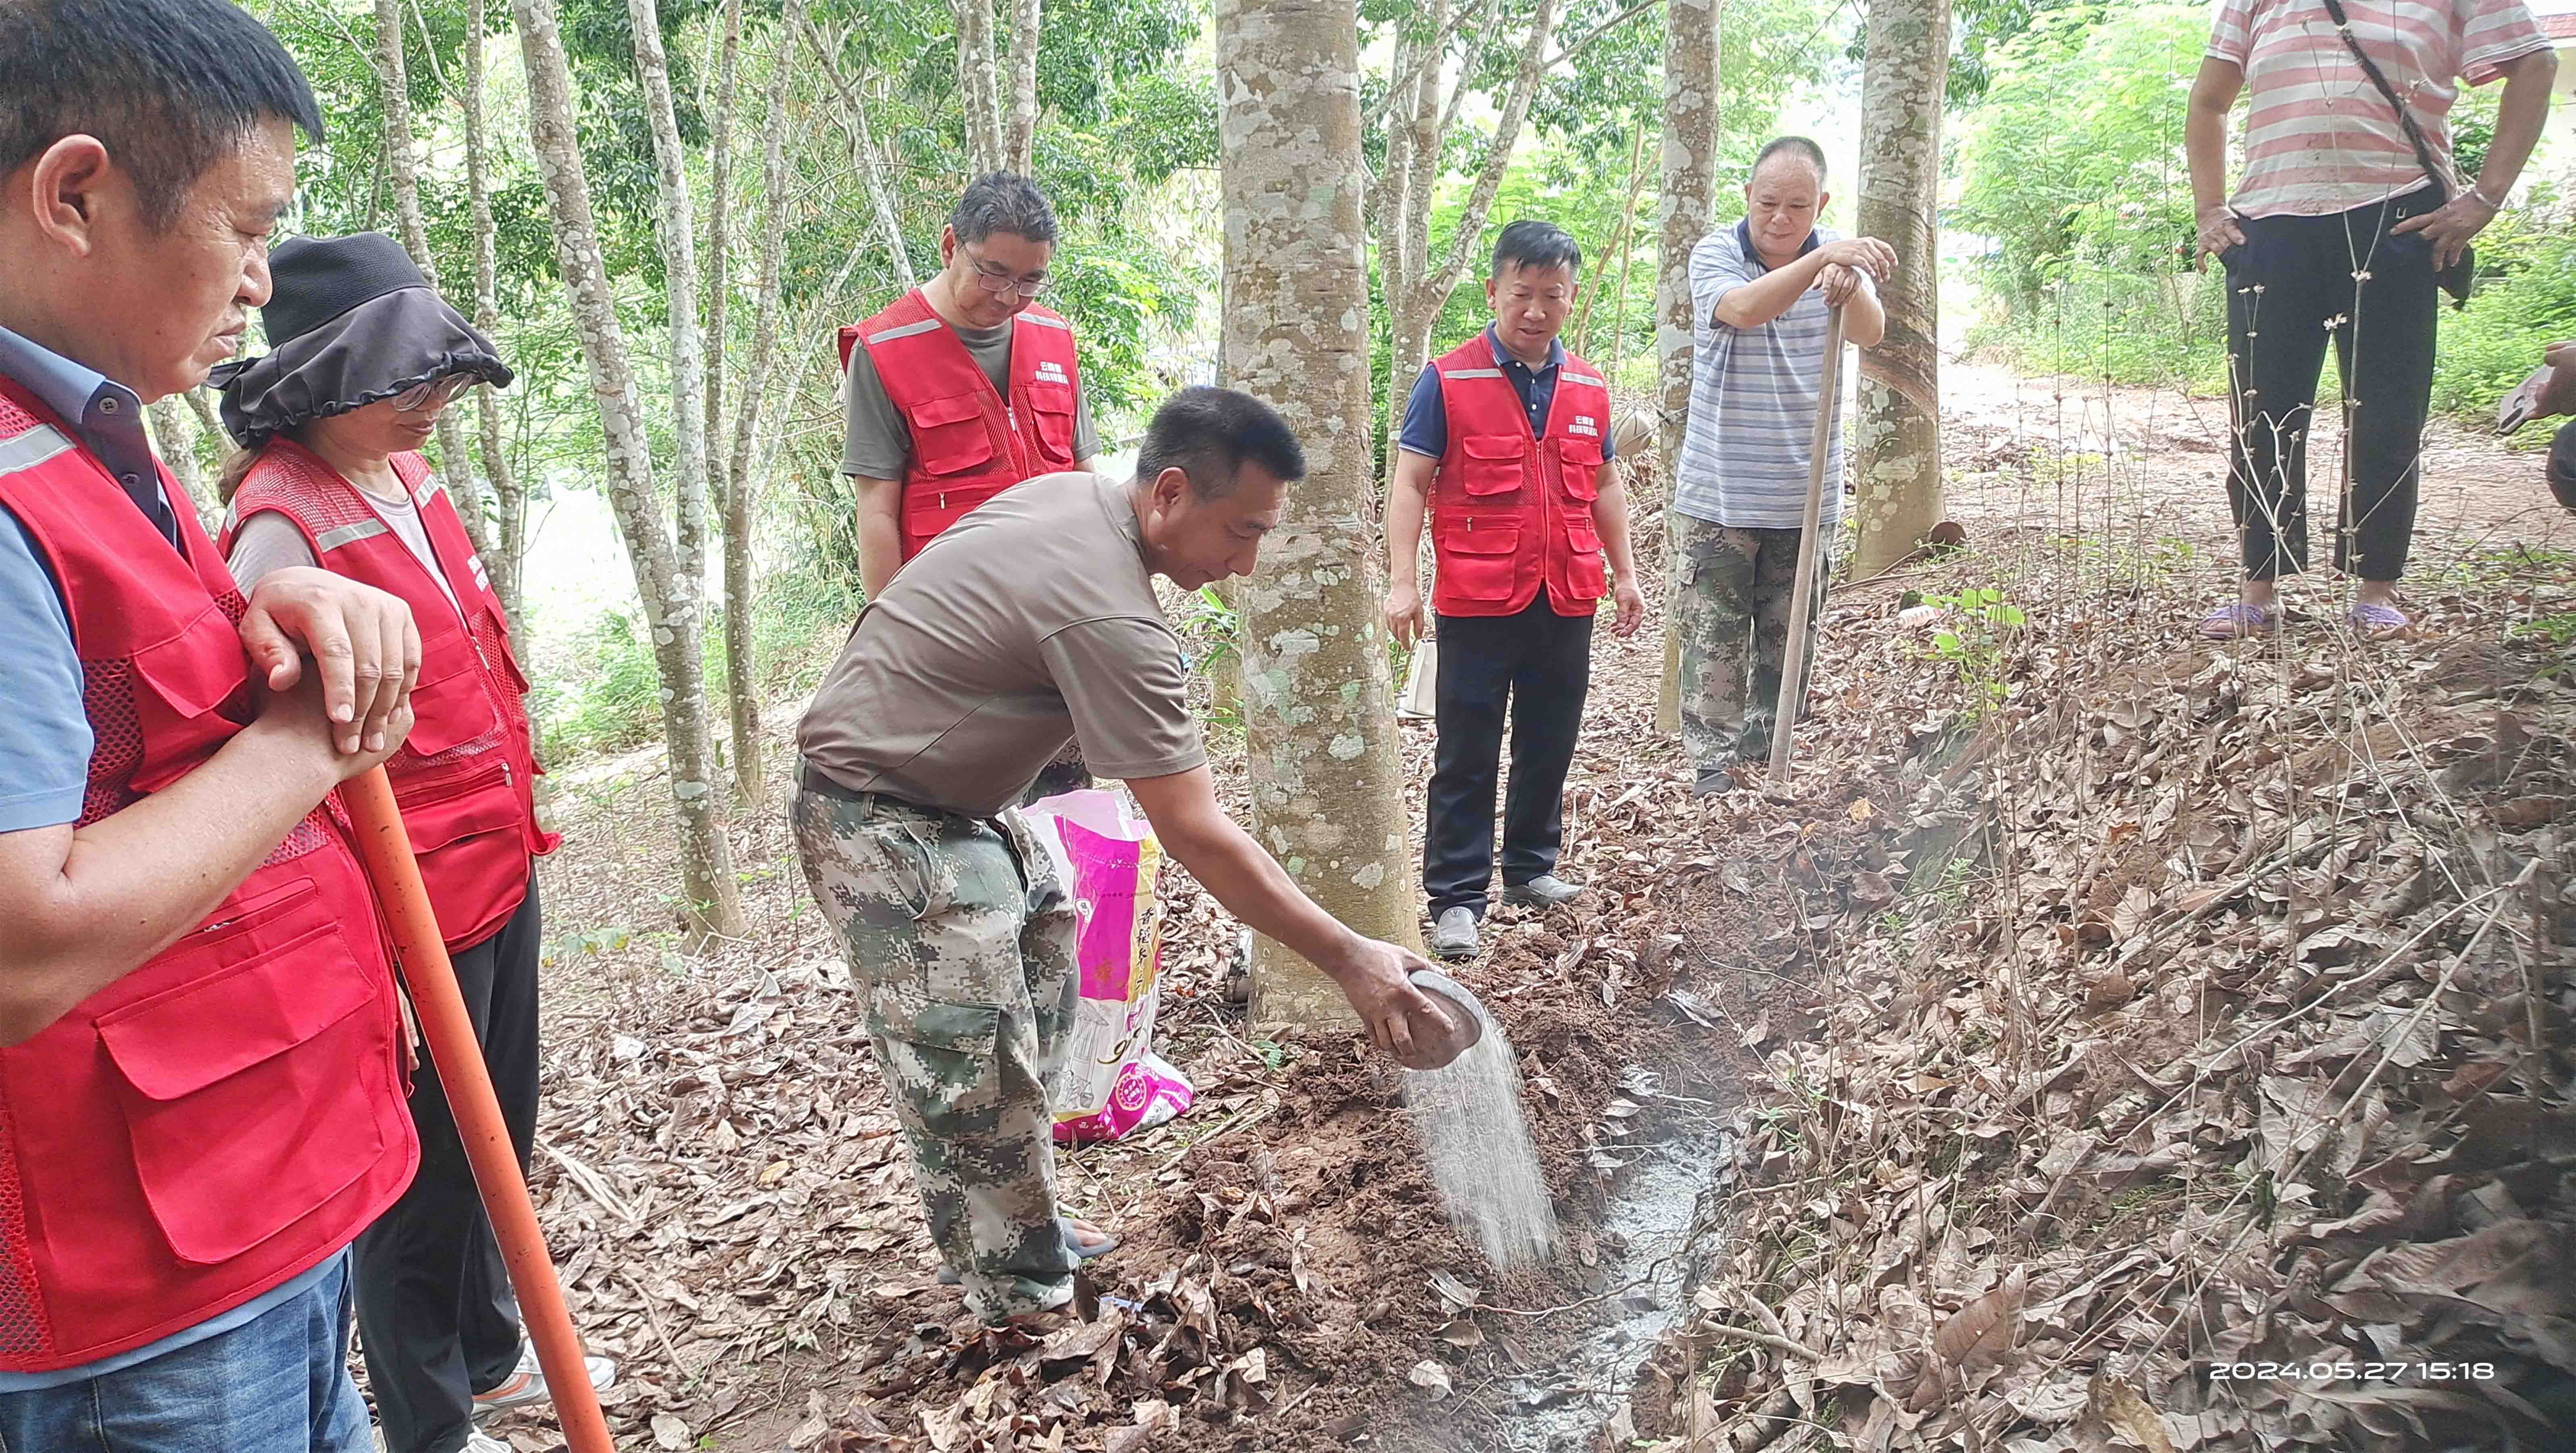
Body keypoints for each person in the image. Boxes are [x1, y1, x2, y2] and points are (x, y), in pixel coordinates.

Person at [794, 387, 1459, 1326]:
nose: (1246, 563)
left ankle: (1020, 1219)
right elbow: (1197, 831)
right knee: (971, 1046)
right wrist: (1349, 956)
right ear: (1172, 493)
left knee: (1046, 953)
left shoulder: (1079, 498)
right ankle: (1017, 1293)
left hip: (958, 799)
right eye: (1241, 532)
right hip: (876, 813)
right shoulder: (1111, 614)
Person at [0, 3, 427, 1449]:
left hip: (243, 1217)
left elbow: (134, 716)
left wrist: (273, 612)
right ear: (76, 196)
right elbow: (21, 940)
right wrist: (312, 741)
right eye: (246, 231)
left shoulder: (90, 430)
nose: (260, 284)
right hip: (133, 1317)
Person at [211, 232, 611, 1453]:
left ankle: (492, 1350)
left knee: (505, 1127)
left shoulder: (410, 473)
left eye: (442, 378)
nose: (434, 404)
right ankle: (428, 1423)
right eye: (409, 382)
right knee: (427, 1175)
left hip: (500, 862)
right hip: (404, 911)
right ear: (327, 380)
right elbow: (267, 729)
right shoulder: (279, 517)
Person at [2186, 0, 2556, 640]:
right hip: (2270, 226)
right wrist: (2210, 209)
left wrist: (2484, 200)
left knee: (2387, 408)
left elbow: (2536, 65)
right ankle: (2258, 586)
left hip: (2398, 217)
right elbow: (2209, 101)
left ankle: (2376, 586)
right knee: (2263, 407)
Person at [1382, 220, 1646, 961]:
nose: (1535, 310)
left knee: (1549, 738)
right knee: (1465, 750)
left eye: (1552, 297)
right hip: (1475, 598)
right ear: (1494, 290)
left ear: (1570, 301)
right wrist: (1402, 583)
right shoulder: (1450, 378)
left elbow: (1603, 483)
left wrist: (1625, 574)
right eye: (1521, 294)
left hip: (1566, 595)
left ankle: (1531, 869)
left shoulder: (1590, 386)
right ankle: (1458, 897)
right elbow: (1409, 483)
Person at [839, 172, 1100, 800]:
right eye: (993, 271)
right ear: (951, 245)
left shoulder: (1054, 339)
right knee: (976, 804)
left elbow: (1084, 479)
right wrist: (895, 634)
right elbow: (877, 510)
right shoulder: (887, 349)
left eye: (1031, 278)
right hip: (958, 635)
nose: (1011, 295)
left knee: (1066, 809)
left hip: (1060, 627)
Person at [1674, 138, 1890, 798]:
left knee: (1787, 640)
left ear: (1820, 204)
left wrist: (1845, 280)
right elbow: (1741, 310)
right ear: (1748, 197)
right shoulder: (1716, 255)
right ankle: (1712, 770)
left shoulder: (1839, 265)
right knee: (1714, 637)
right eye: (1768, 202)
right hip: (1721, 491)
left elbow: (1871, 333)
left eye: (1798, 206)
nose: (1781, 218)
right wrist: (1821, 258)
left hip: (1804, 493)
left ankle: (1771, 758)